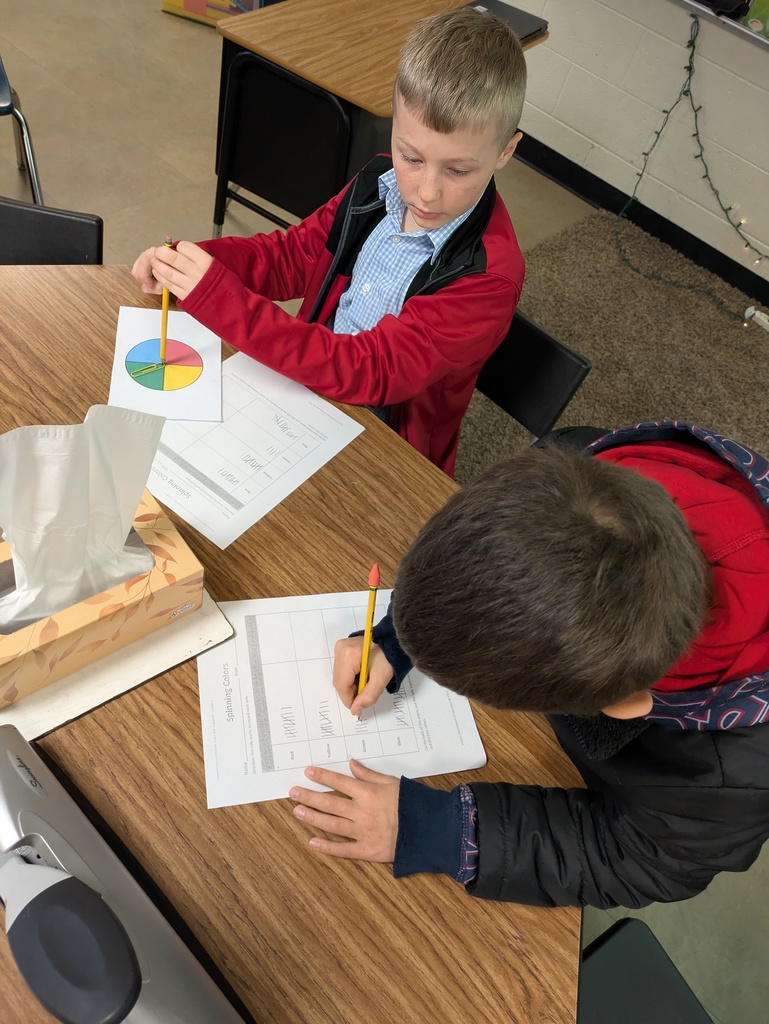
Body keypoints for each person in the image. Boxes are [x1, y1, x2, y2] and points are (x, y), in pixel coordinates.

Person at [288, 421, 769, 908]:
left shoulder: (738, 777)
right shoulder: (573, 477)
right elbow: (493, 558)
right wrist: (401, 635)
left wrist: (442, 829)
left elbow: (646, 857)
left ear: (626, 708)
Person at [131, 8, 527, 477]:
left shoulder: (490, 277)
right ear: (394, 124)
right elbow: (291, 256)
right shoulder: (377, 180)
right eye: (411, 156)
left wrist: (221, 299)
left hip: (386, 444)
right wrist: (195, 264)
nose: (426, 192)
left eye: (458, 171)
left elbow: (370, 370)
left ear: (505, 151)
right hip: (307, 383)